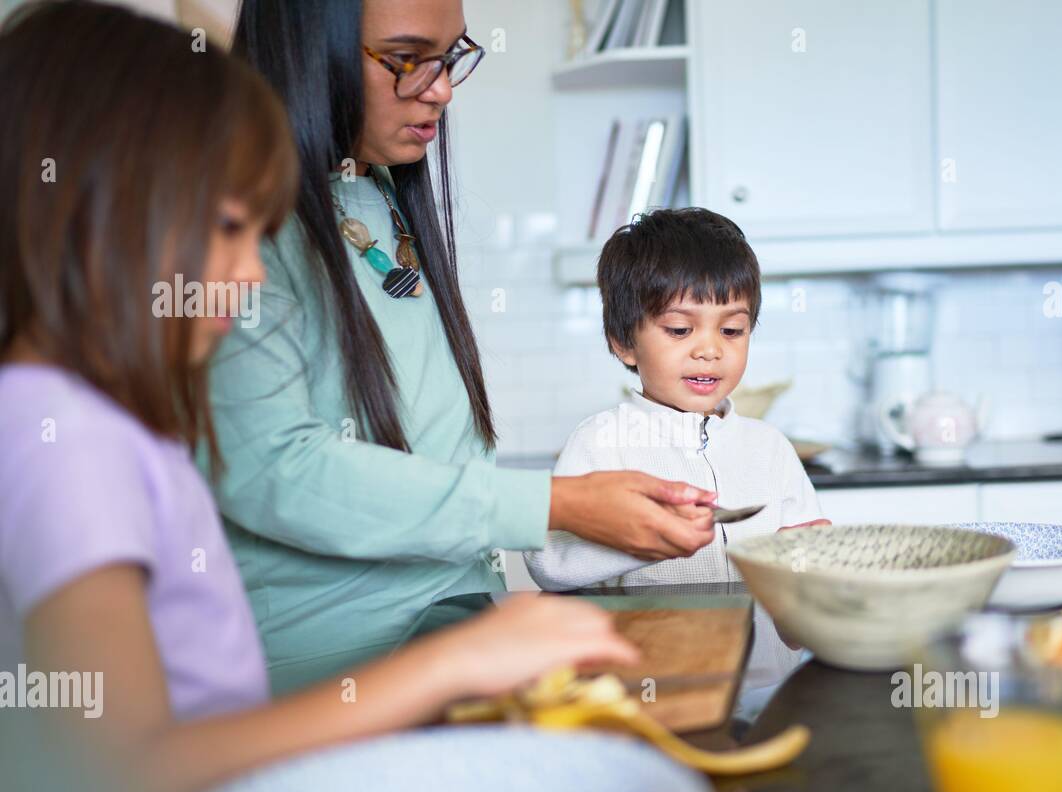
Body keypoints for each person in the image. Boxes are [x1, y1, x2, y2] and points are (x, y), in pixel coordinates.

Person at [0, 0, 636, 792]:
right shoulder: (64, 439)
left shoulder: (96, 428)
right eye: (230, 228)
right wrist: (447, 663)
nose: (246, 271)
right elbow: (120, 779)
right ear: (90, 203)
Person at [207, 0, 716, 692]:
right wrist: (553, 504)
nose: (440, 88)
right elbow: (277, 469)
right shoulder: (237, 231)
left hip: (453, 625)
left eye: (449, 57)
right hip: (336, 677)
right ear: (305, 47)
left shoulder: (378, 187)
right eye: (407, 60)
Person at [524, 208, 828, 591]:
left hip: (763, 652)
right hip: (652, 649)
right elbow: (548, 562)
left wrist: (808, 558)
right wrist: (645, 538)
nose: (710, 350)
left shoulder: (771, 448)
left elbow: (806, 566)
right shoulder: (601, 444)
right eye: (680, 329)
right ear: (624, 343)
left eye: (732, 330)